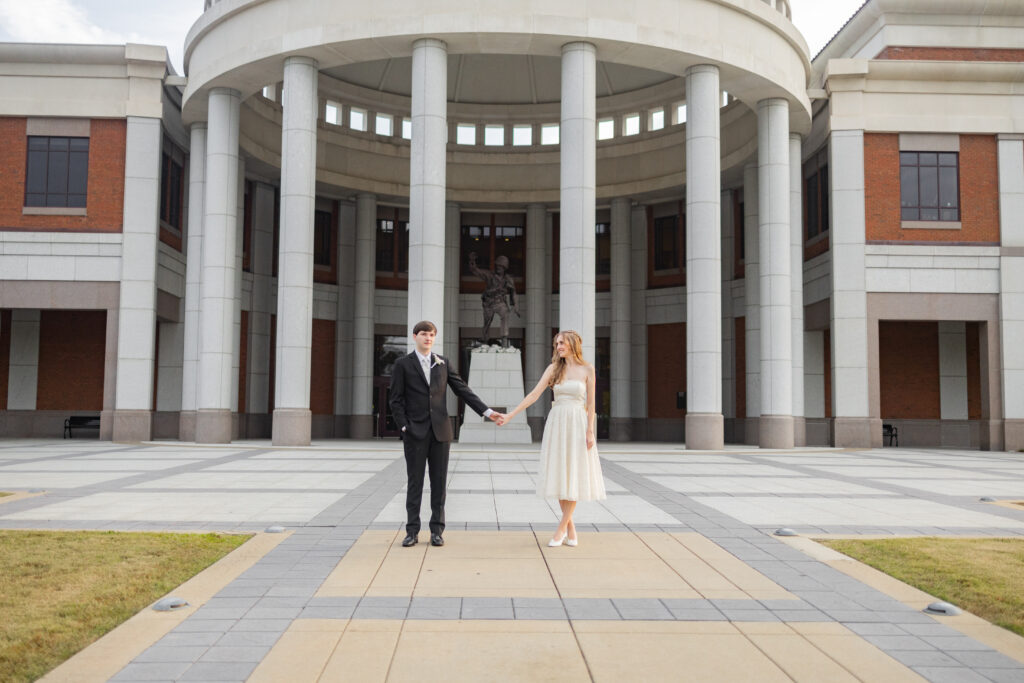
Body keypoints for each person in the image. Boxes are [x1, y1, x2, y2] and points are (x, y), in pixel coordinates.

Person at [388, 320, 503, 548]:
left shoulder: (443, 363)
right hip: (415, 433)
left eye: (431, 335)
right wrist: (404, 427)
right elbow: (395, 400)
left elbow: (463, 390)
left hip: (441, 433)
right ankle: (412, 531)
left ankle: (437, 531)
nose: (428, 338)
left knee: (439, 484)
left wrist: (488, 412)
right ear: (415, 336)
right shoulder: (403, 364)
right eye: (423, 334)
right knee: (415, 483)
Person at [498, 330, 606, 546]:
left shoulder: (587, 369)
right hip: (557, 422)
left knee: (573, 472)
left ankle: (560, 529)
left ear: (573, 344)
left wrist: (590, 430)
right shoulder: (554, 369)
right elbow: (534, 394)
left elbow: (592, 403)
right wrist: (511, 414)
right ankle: (570, 528)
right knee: (560, 473)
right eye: (557, 344)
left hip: (577, 422)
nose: (558, 347)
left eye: (562, 343)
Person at [468, 252, 518, 347]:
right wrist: (472, 261)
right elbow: (475, 271)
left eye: (501, 266)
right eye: (497, 266)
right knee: (487, 322)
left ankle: (504, 338)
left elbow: (513, 292)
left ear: (504, 268)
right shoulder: (489, 275)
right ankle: (485, 339)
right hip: (489, 303)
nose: (498, 268)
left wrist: (515, 305)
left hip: (500, 302)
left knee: (505, 313)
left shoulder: (508, 279)